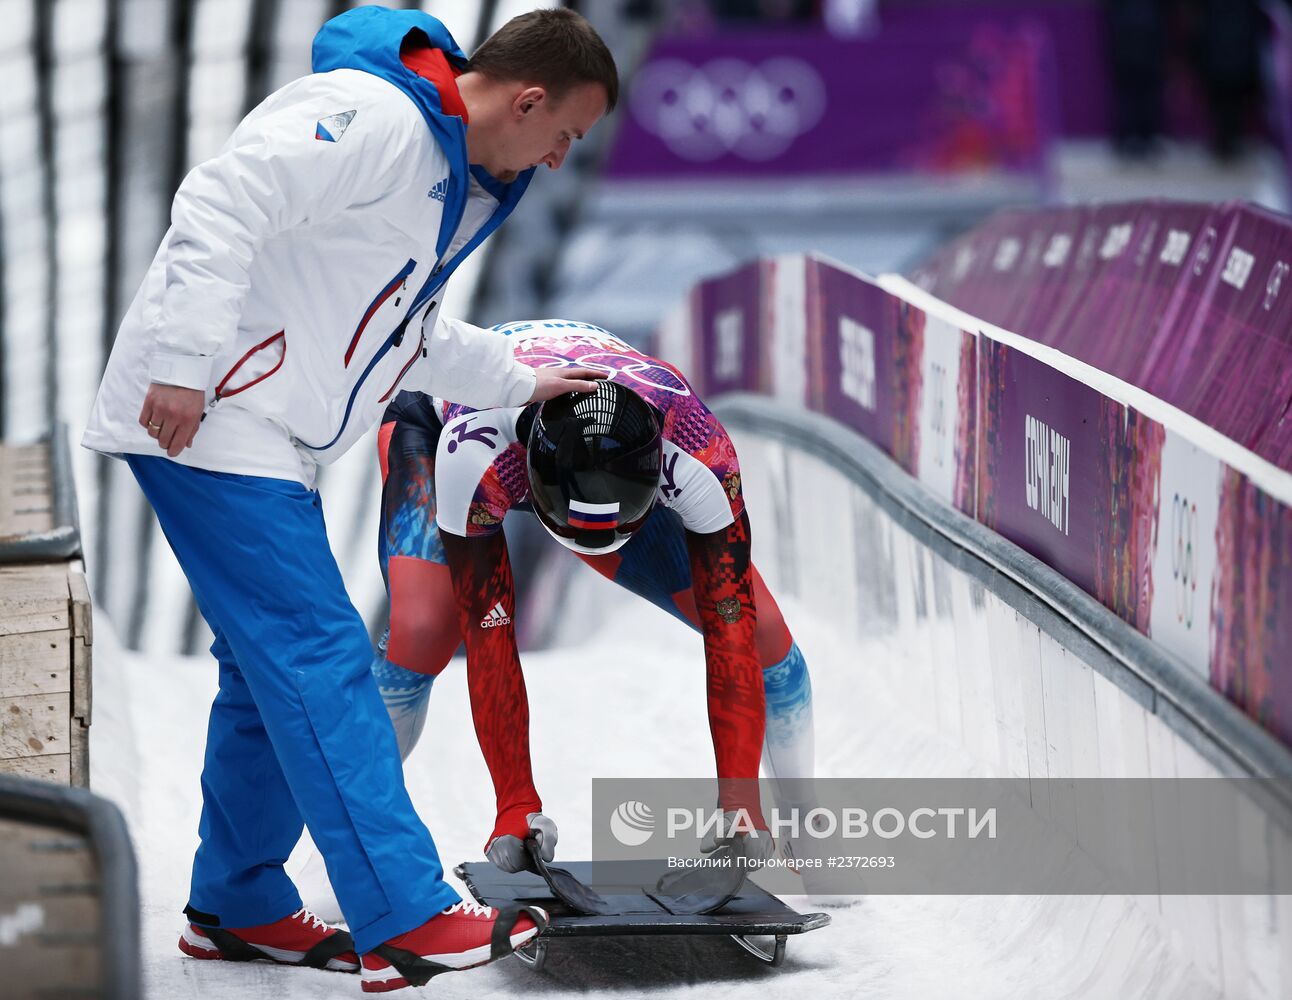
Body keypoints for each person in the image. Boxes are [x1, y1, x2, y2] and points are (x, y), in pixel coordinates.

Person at [81, 7, 617, 994]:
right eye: (565, 135)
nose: (555, 157)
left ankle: (236, 901)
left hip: (260, 423)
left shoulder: (442, 177)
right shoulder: (373, 117)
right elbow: (222, 198)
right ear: (531, 99)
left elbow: (407, 334)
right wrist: (186, 362)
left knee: (264, 671)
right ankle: (405, 914)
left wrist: (517, 378)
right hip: (211, 419)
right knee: (320, 654)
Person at [370, 319, 816, 871]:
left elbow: (734, 626)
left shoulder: (702, 454)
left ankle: (805, 836)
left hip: (581, 466)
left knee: (765, 634)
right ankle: (354, 847)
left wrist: (740, 803)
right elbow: (492, 634)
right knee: (424, 631)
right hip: (438, 431)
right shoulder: (474, 453)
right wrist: (515, 805)